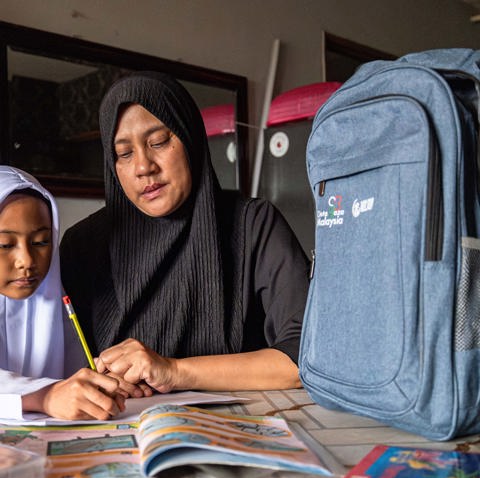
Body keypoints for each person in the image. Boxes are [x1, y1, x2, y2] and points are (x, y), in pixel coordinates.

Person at [60, 72, 310, 394]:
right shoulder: (83, 245)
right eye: (124, 153)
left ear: (190, 138)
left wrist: (174, 371)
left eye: (158, 142)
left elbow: (305, 358)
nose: (143, 167)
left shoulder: (253, 225)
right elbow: (57, 366)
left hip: (240, 419)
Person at [0, 166, 126, 420]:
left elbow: (73, 384)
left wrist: (99, 387)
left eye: (41, 242)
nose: (27, 261)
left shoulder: (56, 303)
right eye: (5, 244)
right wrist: (44, 397)